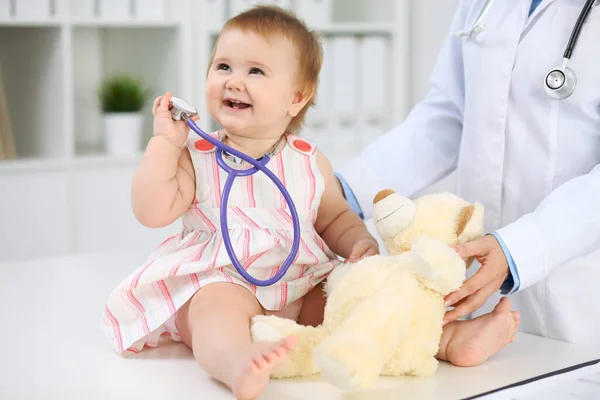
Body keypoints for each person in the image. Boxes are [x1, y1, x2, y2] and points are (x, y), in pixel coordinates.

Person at [102, 5, 518, 400]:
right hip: (224, 276)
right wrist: (162, 144)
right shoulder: (196, 155)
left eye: (255, 71)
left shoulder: (307, 159)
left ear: (297, 97)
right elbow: (151, 211)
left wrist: (358, 243)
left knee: (356, 297)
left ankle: (446, 341)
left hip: (300, 279)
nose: (233, 79)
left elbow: (334, 216)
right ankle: (234, 362)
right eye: (223, 66)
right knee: (212, 310)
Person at [336, 0, 600, 349]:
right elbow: (451, 115)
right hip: (479, 288)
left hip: (578, 297)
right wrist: (339, 193)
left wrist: (521, 248)